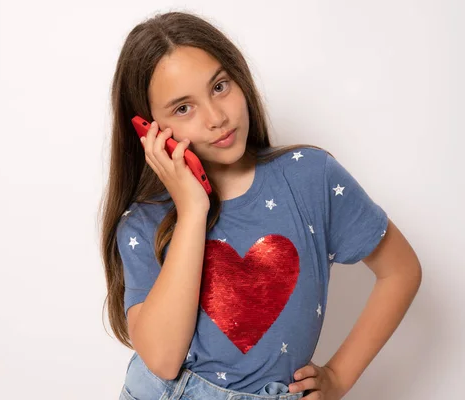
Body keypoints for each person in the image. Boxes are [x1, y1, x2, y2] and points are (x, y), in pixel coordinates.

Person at [98, 10, 422, 400]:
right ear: (149, 129)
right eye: (183, 108)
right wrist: (192, 210)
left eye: (219, 86)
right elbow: (164, 361)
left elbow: (401, 271)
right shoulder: (143, 224)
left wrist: (338, 377)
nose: (217, 118)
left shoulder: (310, 178)